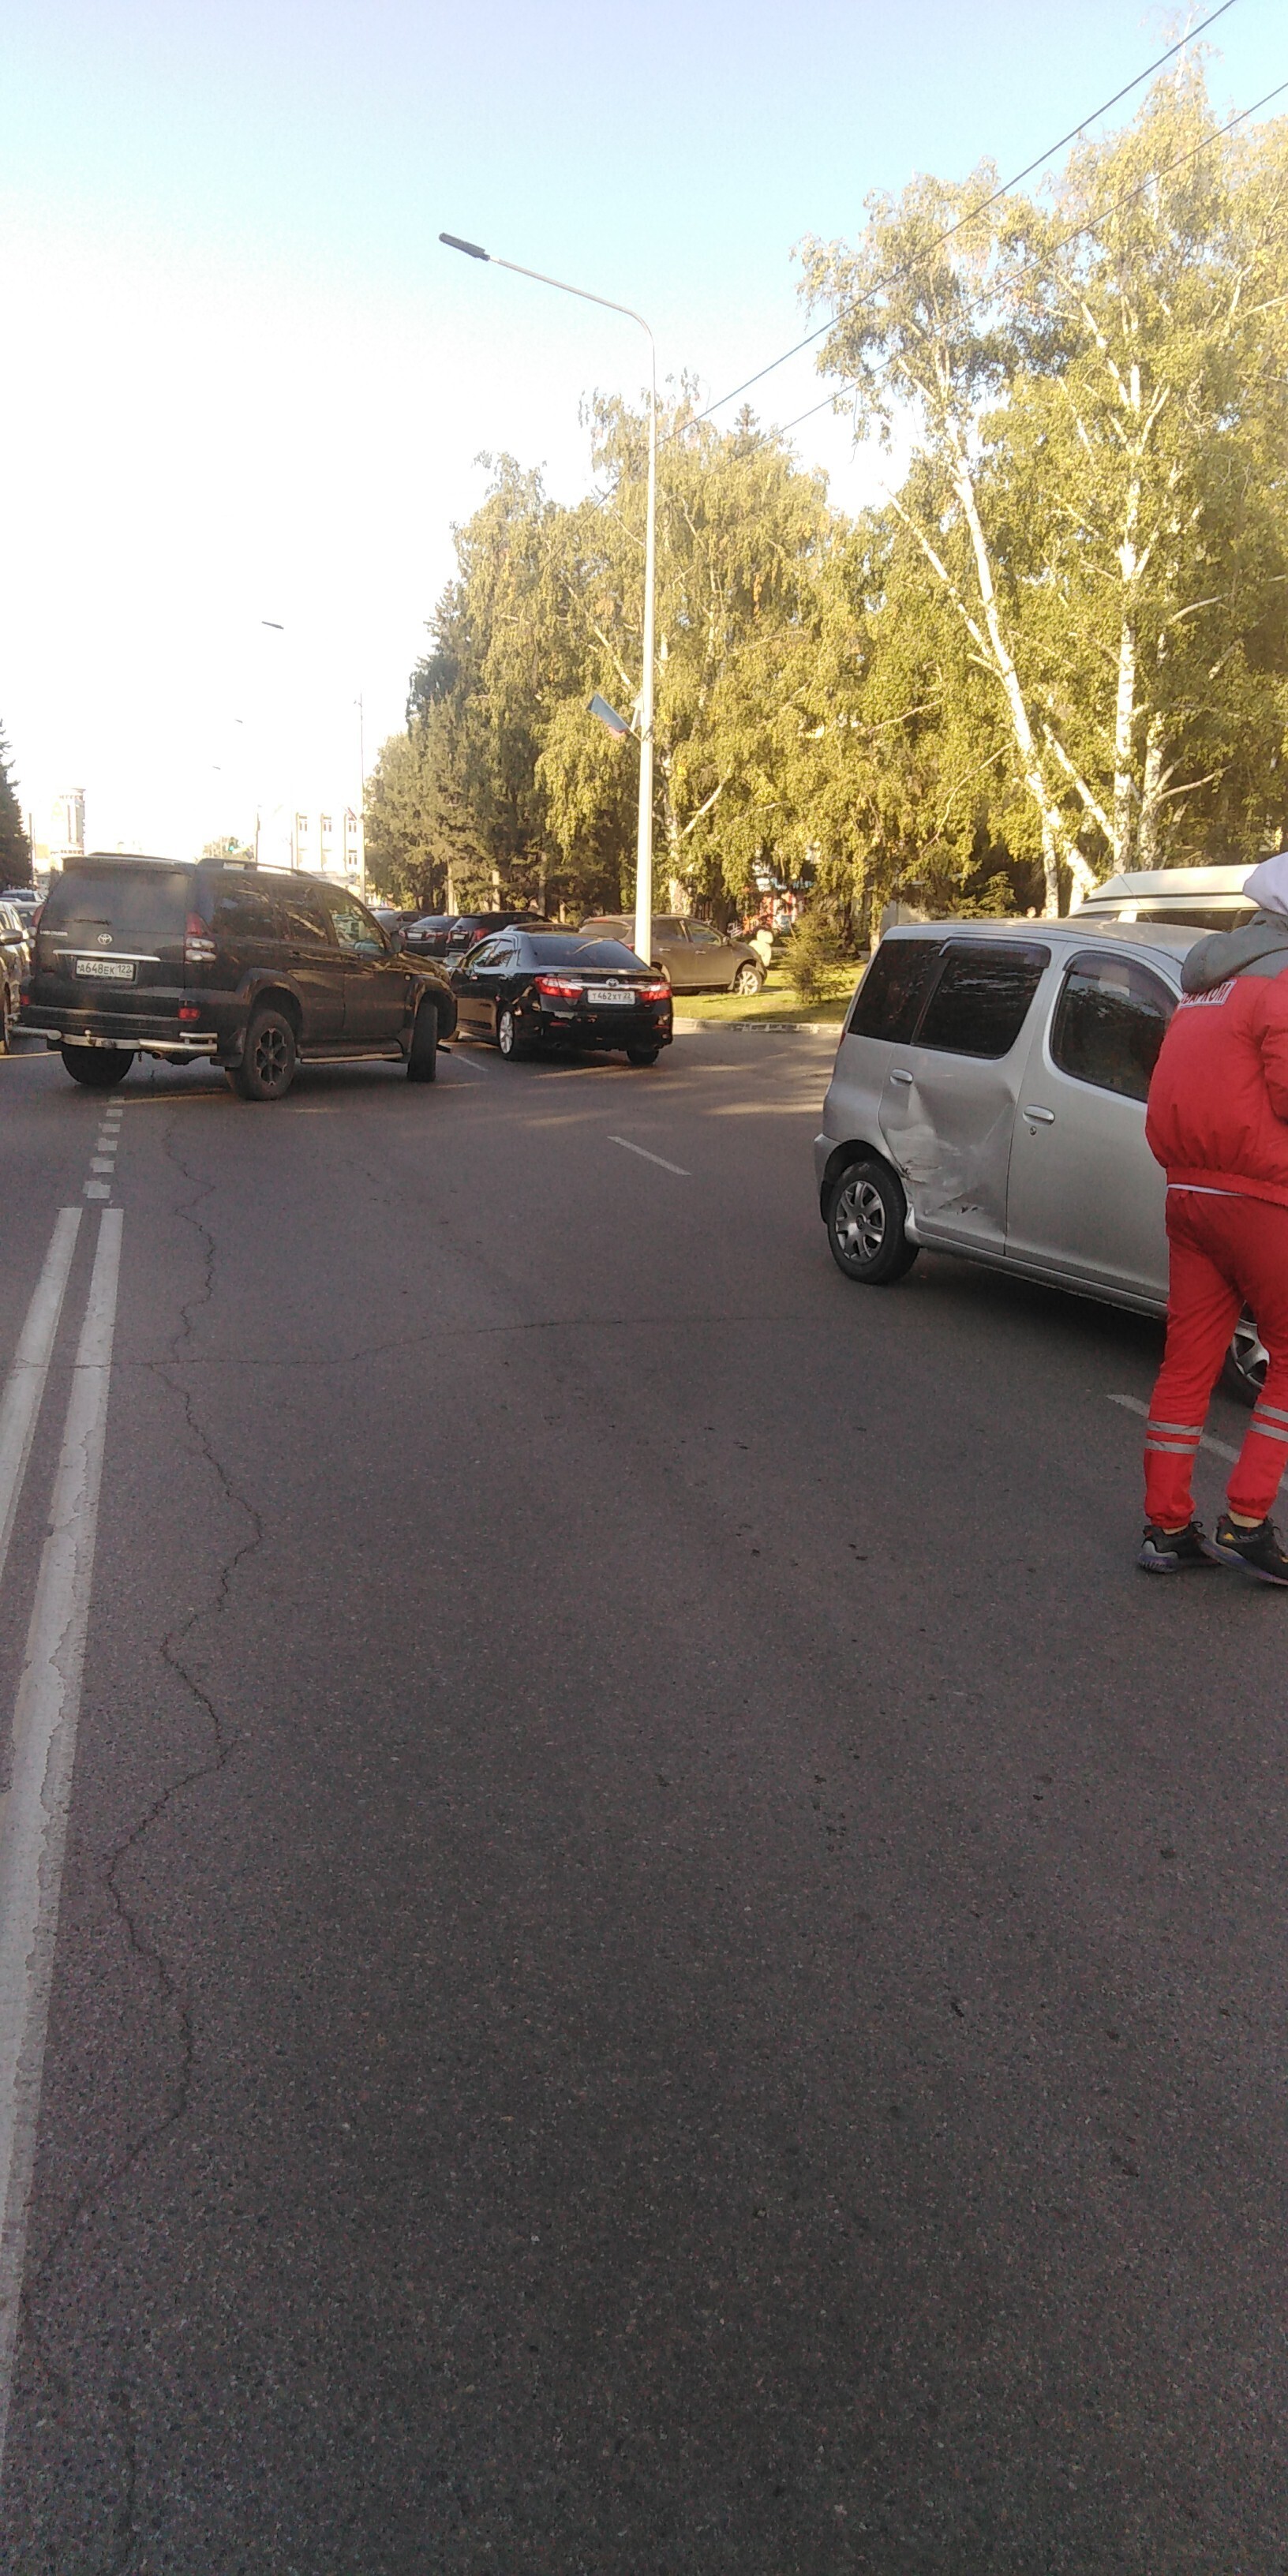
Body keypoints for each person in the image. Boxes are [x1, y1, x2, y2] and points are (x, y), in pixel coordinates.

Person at [1138, 852, 1288, 1582]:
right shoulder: (1285, 980)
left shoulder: (1206, 983)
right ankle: (1248, 1521)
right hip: (1266, 1198)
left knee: (1188, 1363)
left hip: (1189, 1193)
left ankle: (1166, 1527)